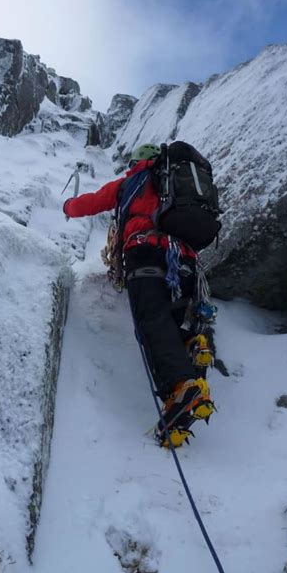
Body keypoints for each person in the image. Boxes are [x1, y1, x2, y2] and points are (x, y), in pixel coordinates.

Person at [63, 143, 215, 448]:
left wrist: (68, 206)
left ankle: (181, 388)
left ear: (137, 162)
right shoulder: (172, 183)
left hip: (145, 253)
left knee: (151, 320)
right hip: (184, 259)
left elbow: (91, 203)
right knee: (168, 320)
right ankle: (192, 344)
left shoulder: (131, 181)